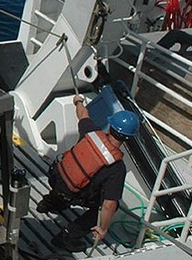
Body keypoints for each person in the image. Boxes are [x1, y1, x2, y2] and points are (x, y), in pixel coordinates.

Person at [36, 94, 140, 251]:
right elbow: (109, 204)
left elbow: (82, 114)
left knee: (68, 179)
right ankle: (67, 236)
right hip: (72, 192)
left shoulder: (91, 132)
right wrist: (102, 229)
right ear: (128, 138)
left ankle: (48, 203)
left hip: (55, 177)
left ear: (110, 125)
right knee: (111, 205)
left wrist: (78, 101)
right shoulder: (117, 168)